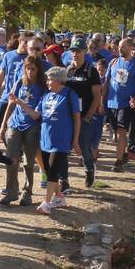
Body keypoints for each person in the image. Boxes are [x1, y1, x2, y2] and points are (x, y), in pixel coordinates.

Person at [0, 56, 45, 206]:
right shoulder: (20, 82)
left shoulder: (42, 87)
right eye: (27, 68)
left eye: (33, 69)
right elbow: (11, 103)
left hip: (32, 126)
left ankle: (27, 192)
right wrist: (3, 124)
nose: (30, 72)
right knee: (11, 157)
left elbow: (35, 114)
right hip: (15, 124)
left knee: (28, 161)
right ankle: (11, 191)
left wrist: (20, 102)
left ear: (38, 70)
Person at [36, 68, 81, 214]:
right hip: (45, 138)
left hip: (61, 139)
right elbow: (36, 114)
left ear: (57, 80)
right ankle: (60, 197)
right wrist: (18, 103)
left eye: (49, 79)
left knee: (53, 170)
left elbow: (77, 119)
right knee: (49, 171)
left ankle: (47, 203)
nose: (47, 82)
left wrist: (75, 141)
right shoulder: (46, 95)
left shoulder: (70, 94)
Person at [63, 44, 102, 188]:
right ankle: (64, 179)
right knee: (64, 149)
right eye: (72, 50)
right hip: (68, 116)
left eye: (78, 51)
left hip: (84, 115)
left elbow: (97, 96)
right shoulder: (67, 69)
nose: (75, 53)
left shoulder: (91, 71)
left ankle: (89, 170)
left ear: (84, 51)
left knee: (84, 147)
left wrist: (89, 116)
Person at [104, 39, 135, 172]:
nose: (120, 49)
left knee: (121, 131)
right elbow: (106, 82)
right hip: (111, 103)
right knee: (117, 133)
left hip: (126, 104)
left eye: (123, 47)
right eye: (119, 46)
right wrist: (101, 101)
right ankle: (124, 154)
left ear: (131, 47)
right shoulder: (113, 62)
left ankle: (118, 161)